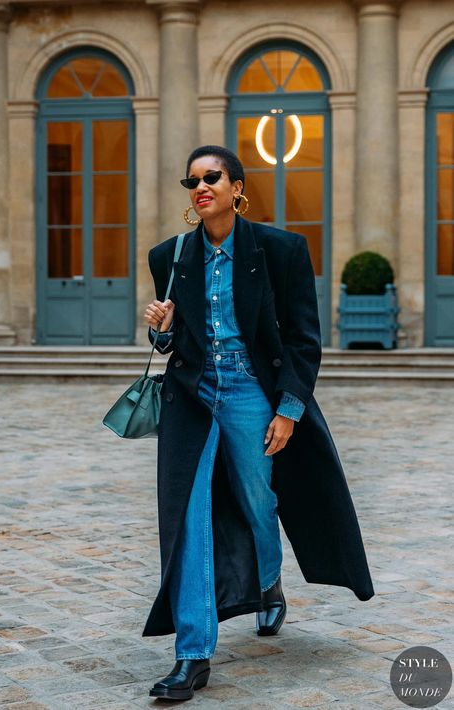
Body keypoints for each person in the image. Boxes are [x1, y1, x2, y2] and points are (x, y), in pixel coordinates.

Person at [143, 145, 374, 701]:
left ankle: (268, 582)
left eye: (212, 177)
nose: (201, 188)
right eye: (192, 180)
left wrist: (289, 411)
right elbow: (174, 345)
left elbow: (302, 339)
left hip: (254, 394)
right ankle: (192, 653)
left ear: (237, 186)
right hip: (193, 398)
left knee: (257, 500)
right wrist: (161, 330)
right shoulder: (170, 257)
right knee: (188, 519)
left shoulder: (281, 250)